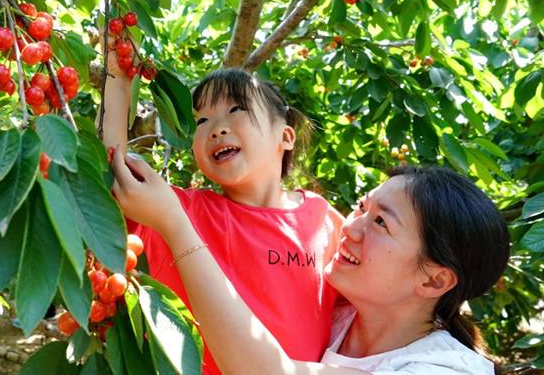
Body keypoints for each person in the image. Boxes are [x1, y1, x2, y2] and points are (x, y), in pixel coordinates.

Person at [111, 157, 511, 375]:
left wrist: (176, 224)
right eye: (361, 207)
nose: (349, 227)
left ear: (434, 279)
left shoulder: (439, 371)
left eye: (381, 223)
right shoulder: (333, 317)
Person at [101, 66, 344, 373]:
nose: (216, 128)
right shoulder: (180, 209)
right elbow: (116, 171)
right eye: (201, 120)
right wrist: (119, 74)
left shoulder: (324, 221)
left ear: (285, 136)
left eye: (235, 109)